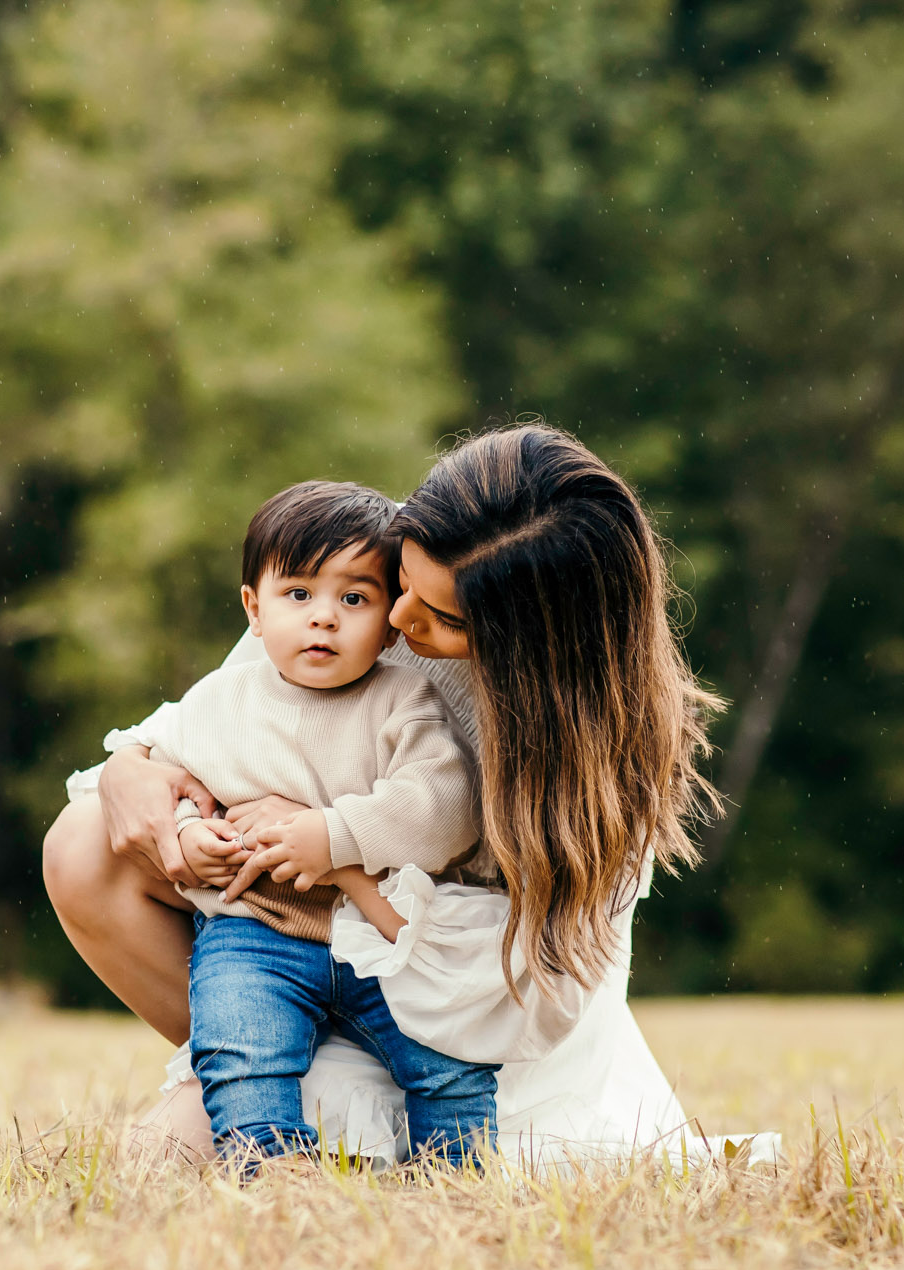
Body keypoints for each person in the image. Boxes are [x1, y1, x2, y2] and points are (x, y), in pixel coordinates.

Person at [45, 424, 780, 1169]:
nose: (393, 621)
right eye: (402, 583)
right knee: (81, 840)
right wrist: (133, 768)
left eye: (441, 618)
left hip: (466, 1009)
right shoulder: (355, 575)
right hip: (303, 951)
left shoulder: (585, 764)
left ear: (532, 650)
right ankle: (257, 1056)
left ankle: (385, 1126)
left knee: (170, 1157)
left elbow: (509, 974)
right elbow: (231, 716)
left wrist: (337, 855)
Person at [109, 479, 496, 1165]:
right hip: (256, 929)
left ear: (389, 620)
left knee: (446, 1051)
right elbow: (173, 782)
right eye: (299, 595)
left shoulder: (405, 699)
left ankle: (456, 1166)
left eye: (354, 598)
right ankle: (269, 1162)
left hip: (377, 931)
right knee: (239, 1043)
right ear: (254, 610)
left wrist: (334, 835)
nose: (324, 618)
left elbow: (443, 807)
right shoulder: (219, 700)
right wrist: (197, 837)